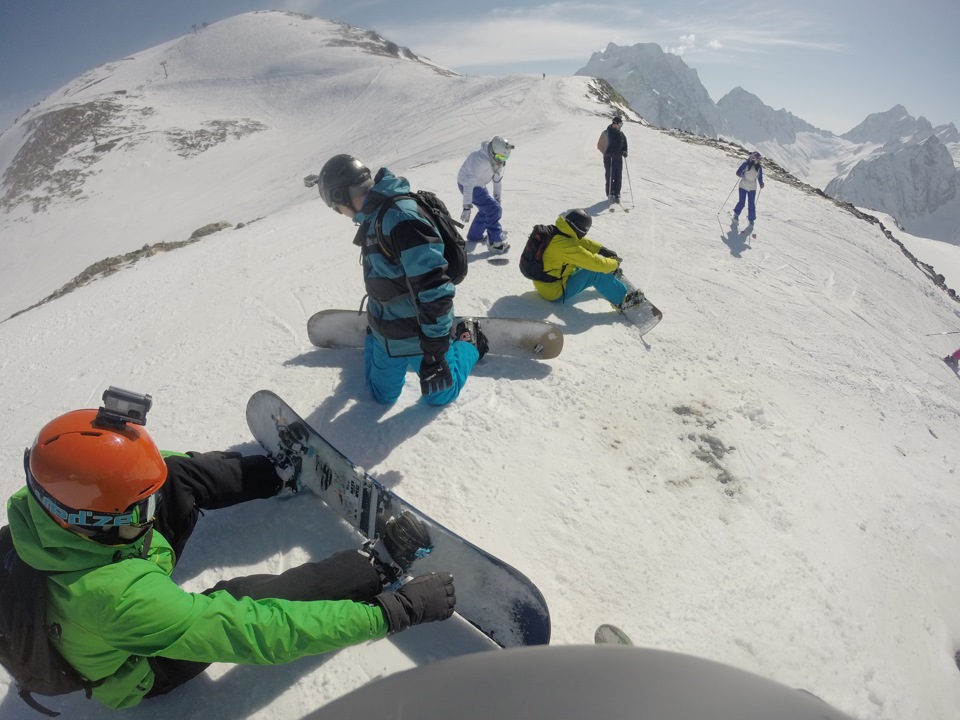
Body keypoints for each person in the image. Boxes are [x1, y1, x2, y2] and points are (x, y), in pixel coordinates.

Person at [5, 400, 456, 710]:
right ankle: (374, 568)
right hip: (144, 668)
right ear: (91, 521)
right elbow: (262, 632)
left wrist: (144, 490)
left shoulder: (48, 506)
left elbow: (144, 484)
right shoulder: (120, 601)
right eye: (138, 508)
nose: (151, 507)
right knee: (243, 599)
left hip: (105, 587)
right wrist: (394, 613)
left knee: (174, 478)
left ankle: (276, 474)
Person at [314, 154, 488, 406]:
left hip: (418, 335)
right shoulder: (373, 216)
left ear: (343, 197)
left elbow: (435, 289)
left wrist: (435, 354)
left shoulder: (401, 220)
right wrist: (376, 325)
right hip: (387, 332)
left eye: (335, 207)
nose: (339, 213)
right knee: (381, 396)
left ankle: (468, 340)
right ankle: (373, 336)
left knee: (440, 396)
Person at [529, 208, 640, 311]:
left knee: (584, 261)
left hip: (546, 282)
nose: (582, 236)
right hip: (553, 292)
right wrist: (614, 263)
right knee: (595, 272)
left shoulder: (558, 232)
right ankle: (622, 301)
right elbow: (595, 263)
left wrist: (601, 249)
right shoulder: (565, 247)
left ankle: (608, 277)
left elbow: (579, 241)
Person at [457, 136, 515, 252]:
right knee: (493, 209)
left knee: (489, 208)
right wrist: (467, 206)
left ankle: (474, 236)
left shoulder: (496, 160)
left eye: (505, 157)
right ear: (493, 152)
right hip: (467, 185)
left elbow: (497, 180)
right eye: (499, 157)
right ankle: (495, 243)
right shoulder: (479, 161)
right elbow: (469, 183)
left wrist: (497, 198)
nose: (501, 160)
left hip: (479, 185)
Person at [597, 115, 628, 203]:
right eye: (620, 124)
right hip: (609, 158)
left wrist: (625, 151)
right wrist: (607, 153)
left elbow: (625, 145)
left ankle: (617, 193)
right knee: (610, 175)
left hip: (618, 158)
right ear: (614, 124)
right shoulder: (606, 133)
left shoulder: (621, 134)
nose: (621, 126)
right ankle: (610, 193)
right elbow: (600, 146)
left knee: (618, 176)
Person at [732, 151, 765, 227]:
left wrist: (761, 183)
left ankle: (751, 220)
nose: (759, 161)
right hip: (743, 185)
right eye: (758, 159)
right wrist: (741, 174)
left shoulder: (759, 167)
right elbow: (738, 172)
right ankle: (736, 215)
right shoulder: (746, 164)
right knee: (742, 202)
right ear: (753, 158)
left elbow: (760, 177)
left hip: (752, 187)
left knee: (751, 204)